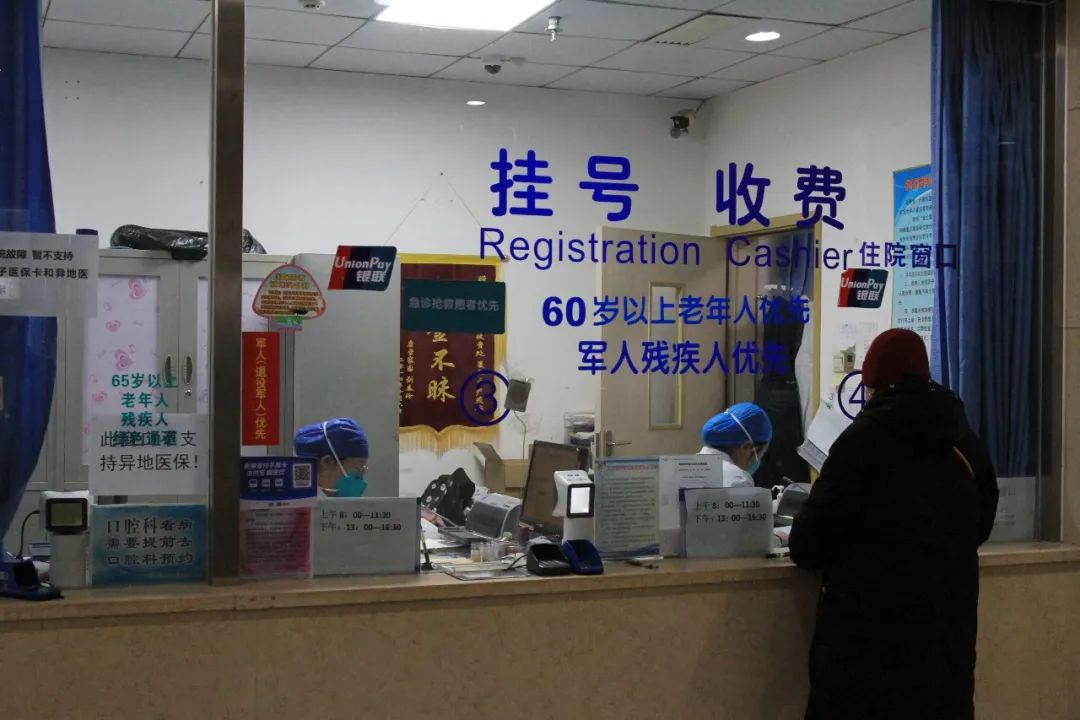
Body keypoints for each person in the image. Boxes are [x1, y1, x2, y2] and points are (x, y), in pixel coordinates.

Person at [788, 328, 999, 720]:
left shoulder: (861, 443)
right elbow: (980, 526)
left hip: (866, 654)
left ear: (872, 385)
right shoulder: (964, 440)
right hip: (945, 650)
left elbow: (808, 544)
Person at [699, 402, 773, 488]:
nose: (758, 461)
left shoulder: (690, 468)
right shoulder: (738, 480)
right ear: (746, 447)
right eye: (761, 454)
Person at [293, 417, 370, 497]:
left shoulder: (328, 501)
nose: (361, 480)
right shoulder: (297, 502)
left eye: (364, 469)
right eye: (358, 469)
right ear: (327, 462)